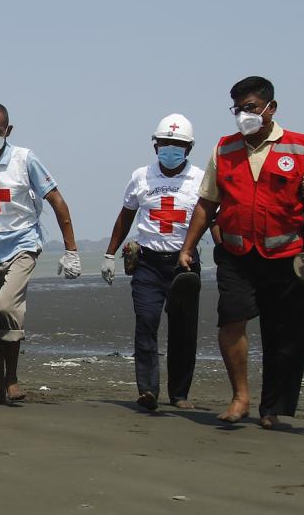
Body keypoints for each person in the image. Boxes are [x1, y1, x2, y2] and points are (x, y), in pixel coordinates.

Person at [178, 77, 304, 429]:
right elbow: (207, 203)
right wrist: (188, 247)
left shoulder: (298, 148)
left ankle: (273, 408)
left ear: (270, 108)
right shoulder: (224, 149)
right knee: (231, 318)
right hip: (236, 254)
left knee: (285, 333)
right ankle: (240, 397)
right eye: (237, 109)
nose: (243, 116)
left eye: (250, 108)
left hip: (288, 255)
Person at [0, 102, 81, 405]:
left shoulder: (24, 159)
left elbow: (56, 199)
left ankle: (12, 379)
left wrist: (71, 249)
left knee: (7, 308)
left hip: (22, 245)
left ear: (8, 131)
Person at [102, 114, 204, 411]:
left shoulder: (200, 179)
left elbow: (212, 218)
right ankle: (148, 390)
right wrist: (110, 254)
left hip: (184, 264)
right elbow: (126, 216)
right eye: (165, 143)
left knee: (183, 329)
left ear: (189, 148)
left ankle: (179, 393)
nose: (170, 149)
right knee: (146, 323)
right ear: (155, 145)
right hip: (147, 262)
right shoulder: (140, 176)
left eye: (178, 144)